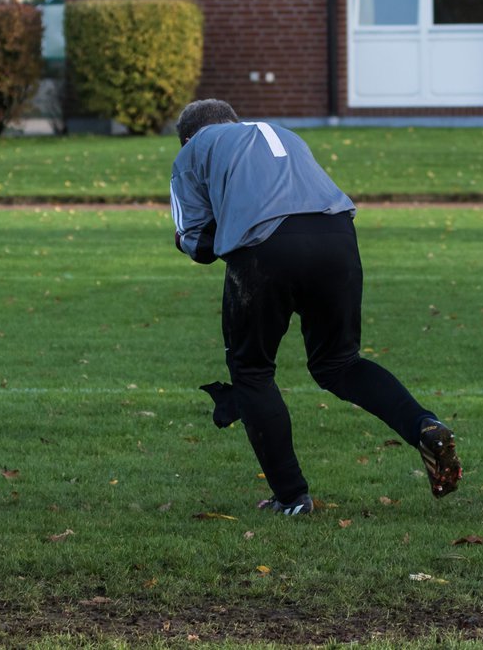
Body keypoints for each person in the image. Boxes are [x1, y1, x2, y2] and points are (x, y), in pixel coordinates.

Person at [169, 99, 462, 515]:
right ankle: (423, 425)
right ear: (233, 120)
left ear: (187, 138)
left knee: (251, 372)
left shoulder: (192, 150)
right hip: (337, 234)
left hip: (266, 248)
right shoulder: (281, 133)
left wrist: (206, 237)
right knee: (340, 364)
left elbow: (196, 242)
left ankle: (291, 496)